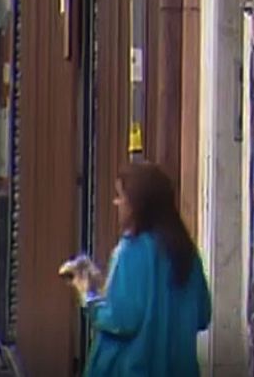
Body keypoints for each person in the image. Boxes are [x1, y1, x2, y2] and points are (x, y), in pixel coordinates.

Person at [70, 160, 211, 377]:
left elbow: (121, 319)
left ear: (136, 204)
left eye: (120, 196)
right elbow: (202, 315)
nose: (116, 203)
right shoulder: (187, 253)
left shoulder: (131, 250)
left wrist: (88, 295)